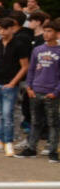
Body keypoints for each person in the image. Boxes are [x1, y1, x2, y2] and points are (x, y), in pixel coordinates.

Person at [0, 15, 31, 156]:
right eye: (0, 29)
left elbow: (25, 66)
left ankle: (9, 141)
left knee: (7, 114)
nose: (2, 32)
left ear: (12, 29)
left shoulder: (19, 45)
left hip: (10, 85)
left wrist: (13, 83)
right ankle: (0, 140)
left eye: (5, 29)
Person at [19, 20, 59, 161]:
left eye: (50, 31)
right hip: (35, 90)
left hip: (51, 92)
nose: (46, 34)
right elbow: (31, 70)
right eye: (45, 31)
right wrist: (29, 87)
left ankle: (53, 151)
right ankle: (31, 148)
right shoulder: (37, 50)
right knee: (35, 122)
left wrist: (56, 92)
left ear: (57, 33)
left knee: (53, 123)